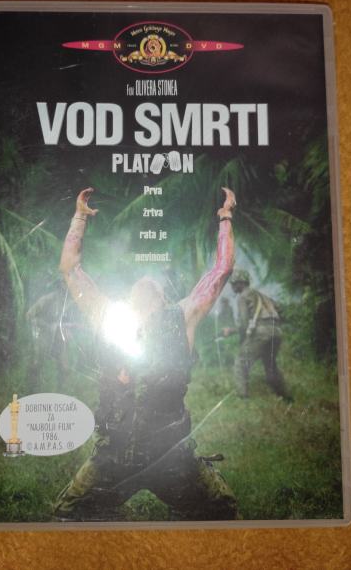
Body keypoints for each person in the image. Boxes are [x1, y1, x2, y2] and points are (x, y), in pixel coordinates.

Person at [54, 186, 238, 521]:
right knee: (68, 513)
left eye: (152, 284)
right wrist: (79, 217)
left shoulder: (181, 316)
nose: (145, 281)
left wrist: (226, 218)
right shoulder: (111, 315)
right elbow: (70, 270)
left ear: (163, 299)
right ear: (128, 298)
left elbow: (221, 271)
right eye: (140, 283)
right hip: (116, 456)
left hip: (170, 457)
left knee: (221, 508)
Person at [224, 270, 291, 400]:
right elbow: (281, 311)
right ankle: (286, 397)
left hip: (261, 333)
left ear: (240, 283)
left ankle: (243, 399)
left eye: (233, 284)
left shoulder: (243, 296)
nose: (232, 287)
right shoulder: (262, 296)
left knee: (240, 363)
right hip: (276, 332)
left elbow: (244, 324)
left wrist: (232, 332)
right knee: (270, 365)